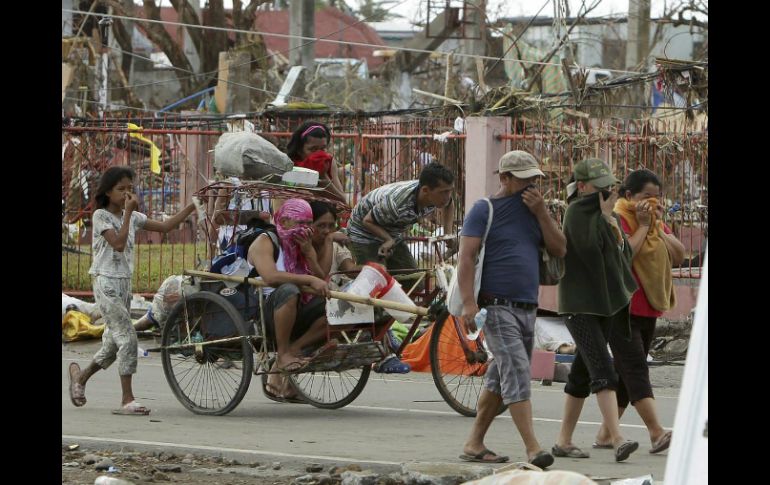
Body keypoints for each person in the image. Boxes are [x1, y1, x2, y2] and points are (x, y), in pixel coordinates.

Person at [457, 150, 566, 467]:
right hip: (496, 306)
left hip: (527, 307)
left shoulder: (536, 211)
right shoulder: (484, 209)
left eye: (535, 179)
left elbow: (560, 248)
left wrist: (543, 214)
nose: (532, 186)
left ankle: (474, 442)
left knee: (498, 378)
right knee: (518, 370)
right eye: (525, 180)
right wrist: (468, 303)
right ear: (505, 178)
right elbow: (466, 257)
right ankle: (533, 448)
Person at [68, 166, 196, 415]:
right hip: (105, 282)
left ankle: (79, 377)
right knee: (128, 338)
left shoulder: (134, 216)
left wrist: (193, 206)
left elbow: (167, 226)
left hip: (124, 283)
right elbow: (117, 243)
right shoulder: (101, 217)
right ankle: (127, 400)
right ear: (107, 192)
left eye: (130, 188)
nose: (127, 193)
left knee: (113, 345)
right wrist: (127, 213)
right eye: (121, 189)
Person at [591, 169, 685, 454]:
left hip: (648, 308)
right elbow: (625, 254)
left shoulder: (654, 221)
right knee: (636, 370)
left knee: (624, 372)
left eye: (658, 198)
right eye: (647, 197)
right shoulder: (618, 218)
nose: (653, 203)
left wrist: (655, 225)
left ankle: (606, 434)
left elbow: (679, 254)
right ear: (629, 196)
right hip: (623, 308)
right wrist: (644, 226)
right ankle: (656, 432)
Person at [552, 158, 640, 462]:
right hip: (580, 305)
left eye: (610, 188)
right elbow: (588, 250)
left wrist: (612, 222)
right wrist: (603, 217)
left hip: (603, 304)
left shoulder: (606, 216)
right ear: (584, 187)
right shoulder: (577, 212)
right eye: (602, 188)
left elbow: (622, 254)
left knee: (580, 374)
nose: (608, 193)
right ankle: (617, 438)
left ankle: (563, 440)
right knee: (603, 370)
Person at [347, 162, 456, 373]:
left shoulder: (437, 197)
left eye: (449, 191)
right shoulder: (398, 203)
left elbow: (450, 203)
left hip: (391, 232)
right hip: (365, 233)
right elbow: (368, 221)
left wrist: (448, 232)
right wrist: (387, 240)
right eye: (443, 192)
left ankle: (386, 329)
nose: (446, 196)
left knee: (412, 280)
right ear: (426, 190)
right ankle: (379, 349)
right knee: (377, 285)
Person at [247, 198, 332, 400]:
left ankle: (292, 351)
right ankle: (283, 353)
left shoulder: (303, 244)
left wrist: (310, 254)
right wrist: (309, 278)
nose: (306, 229)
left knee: (331, 307)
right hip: (264, 310)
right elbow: (271, 277)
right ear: (284, 222)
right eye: (300, 224)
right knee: (289, 289)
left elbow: (322, 281)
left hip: (296, 308)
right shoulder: (265, 241)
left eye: (309, 224)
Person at [287, 121, 346, 202]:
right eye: (313, 149)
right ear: (300, 151)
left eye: (323, 149)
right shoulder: (290, 165)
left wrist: (324, 179)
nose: (319, 154)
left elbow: (342, 199)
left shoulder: (329, 162)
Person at [309, 201, 359, 289]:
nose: (327, 231)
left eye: (331, 225)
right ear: (308, 225)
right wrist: (329, 240)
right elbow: (321, 277)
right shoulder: (302, 247)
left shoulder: (335, 245)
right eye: (321, 225)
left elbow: (350, 270)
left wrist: (374, 268)